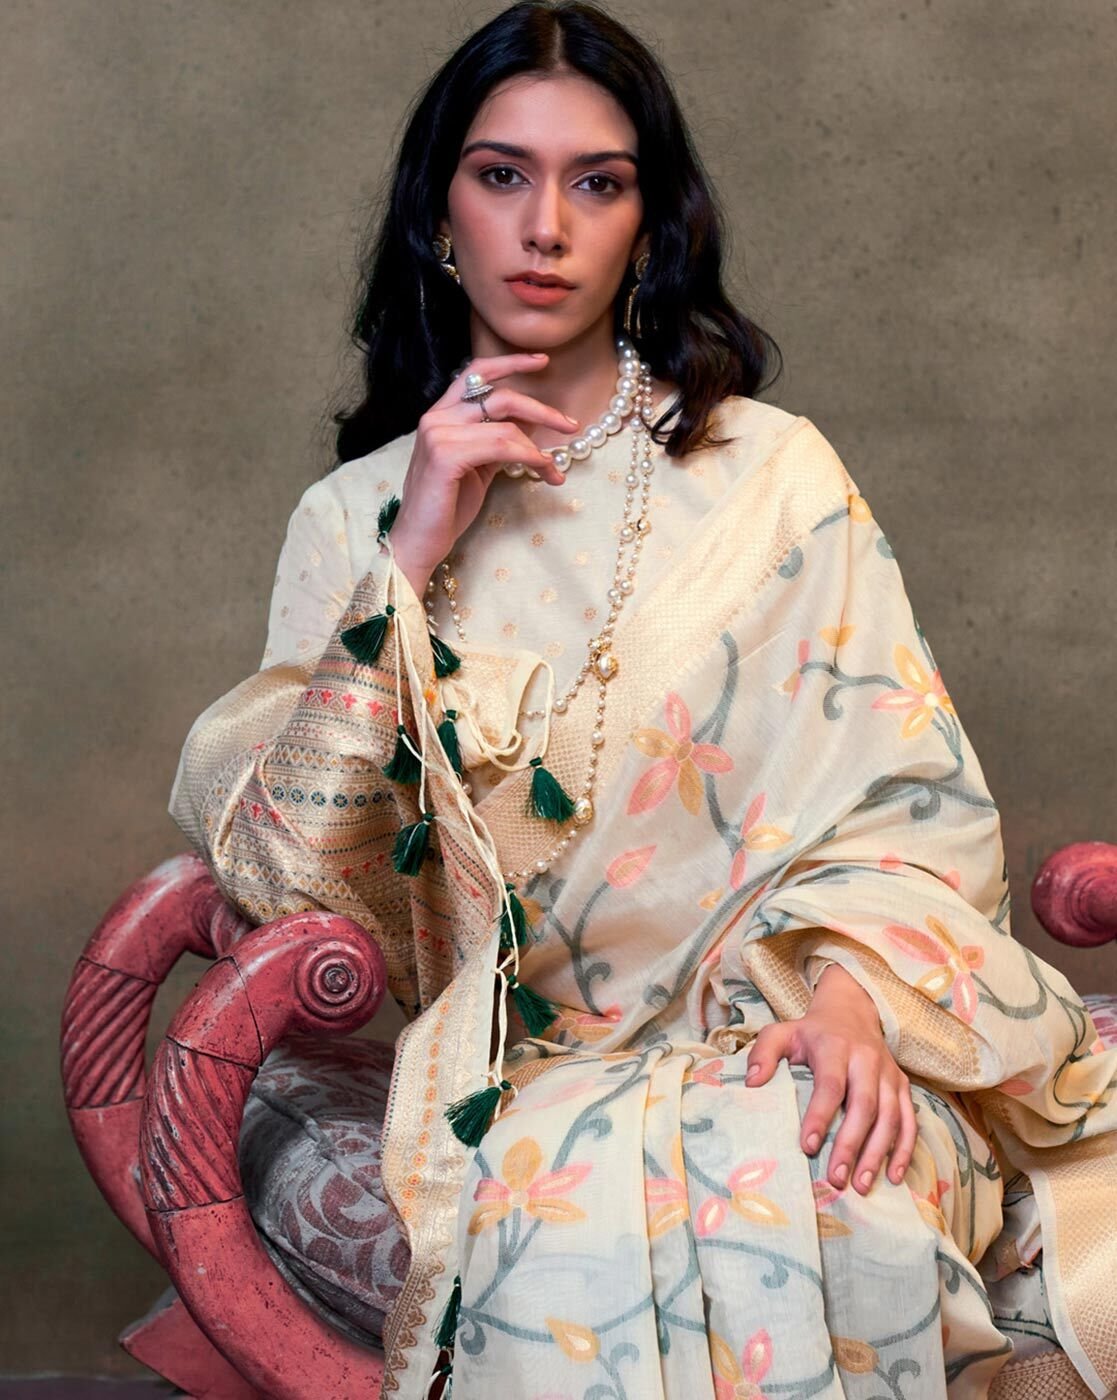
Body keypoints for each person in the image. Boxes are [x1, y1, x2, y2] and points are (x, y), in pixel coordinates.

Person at [168, 3, 1117, 1396]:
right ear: (439, 215)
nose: (545, 227)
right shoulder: (352, 519)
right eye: (501, 175)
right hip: (519, 1077)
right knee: (578, 1225)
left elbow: (905, 810)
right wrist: (413, 548)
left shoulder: (772, 475)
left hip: (799, 1024)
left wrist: (853, 1010)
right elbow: (287, 875)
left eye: (596, 184)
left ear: (649, 225)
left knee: (832, 1182)